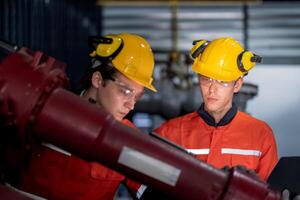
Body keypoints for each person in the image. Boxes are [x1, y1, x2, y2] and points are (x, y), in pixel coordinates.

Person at [16, 33, 157, 200]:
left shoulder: (127, 139)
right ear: (98, 80)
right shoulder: (45, 113)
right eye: (125, 91)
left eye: (137, 96)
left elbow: (151, 192)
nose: (131, 105)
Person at [154, 37, 278, 181]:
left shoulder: (260, 135)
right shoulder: (170, 133)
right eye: (206, 79)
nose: (212, 89)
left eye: (222, 81)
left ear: (237, 85)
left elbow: (268, 194)